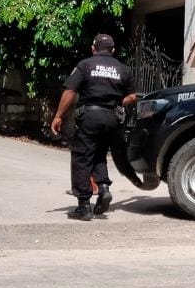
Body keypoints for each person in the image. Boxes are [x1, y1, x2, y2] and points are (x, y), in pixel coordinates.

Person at [51, 33, 137, 220]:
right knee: (99, 154)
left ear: (93, 48)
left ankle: (83, 205)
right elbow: (132, 97)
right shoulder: (123, 69)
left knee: (82, 157)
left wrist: (58, 116)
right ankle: (104, 188)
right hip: (112, 118)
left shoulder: (85, 65)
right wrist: (115, 102)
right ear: (113, 50)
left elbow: (70, 91)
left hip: (90, 116)